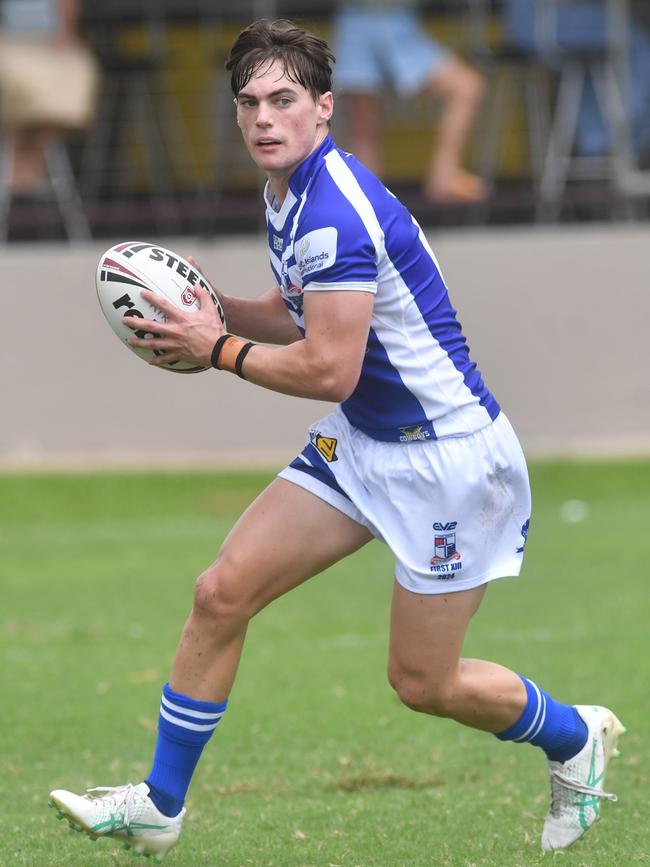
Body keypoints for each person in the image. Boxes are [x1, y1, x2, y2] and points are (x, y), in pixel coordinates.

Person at [49, 18, 624, 862]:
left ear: (323, 108)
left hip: (448, 459)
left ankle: (574, 736)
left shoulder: (333, 211)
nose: (263, 119)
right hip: (365, 442)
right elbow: (300, 311)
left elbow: (328, 368)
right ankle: (158, 804)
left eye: (283, 100)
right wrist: (206, 306)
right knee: (221, 592)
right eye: (248, 103)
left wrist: (215, 350)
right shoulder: (287, 190)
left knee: (422, 683)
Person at [332, 0, 487, 203]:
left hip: (396, 22)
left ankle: (445, 174)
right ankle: (368, 203)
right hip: (357, 20)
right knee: (363, 125)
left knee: (466, 88)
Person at [502, 0, 650, 161]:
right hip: (546, 24)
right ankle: (626, 132)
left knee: (590, 61)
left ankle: (597, 144)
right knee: (629, 36)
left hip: (520, 26)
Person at [0, 0, 98, 193]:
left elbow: (67, 14)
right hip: (8, 46)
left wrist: (64, 33)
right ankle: (23, 158)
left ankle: (29, 156)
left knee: (77, 72)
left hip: (46, 47)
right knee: (20, 80)